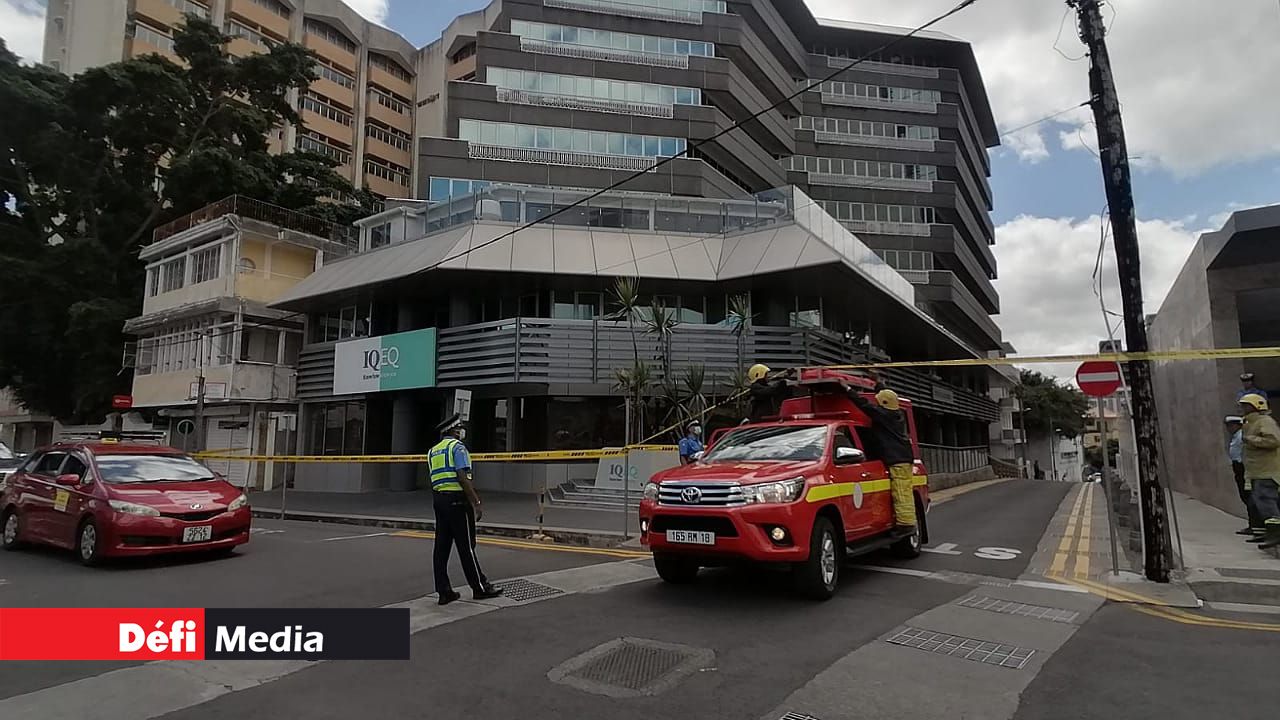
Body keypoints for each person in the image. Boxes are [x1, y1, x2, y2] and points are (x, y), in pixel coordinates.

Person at [428, 413, 503, 605]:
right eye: (459, 427)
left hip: (439, 501)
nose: (462, 430)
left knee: (441, 549)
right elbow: (462, 476)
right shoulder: (457, 447)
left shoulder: (433, 451)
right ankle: (480, 587)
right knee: (467, 547)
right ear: (453, 430)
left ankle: (444, 592)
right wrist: (476, 502)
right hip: (457, 502)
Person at [845, 386, 916, 532]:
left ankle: (906, 525)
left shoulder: (884, 416)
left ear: (883, 404)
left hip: (898, 459)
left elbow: (865, 405)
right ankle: (904, 522)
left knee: (901, 492)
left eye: (879, 403)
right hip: (901, 457)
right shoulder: (896, 415)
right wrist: (877, 383)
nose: (876, 405)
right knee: (902, 491)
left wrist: (848, 390)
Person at [1238, 394, 1280, 549]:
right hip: (1256, 471)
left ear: (1256, 406)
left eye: (1245, 405)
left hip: (1267, 471)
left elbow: (1274, 440)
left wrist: (1251, 440)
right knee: (1257, 502)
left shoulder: (1264, 422)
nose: (1242, 408)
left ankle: (1276, 533)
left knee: (1266, 500)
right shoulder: (1250, 422)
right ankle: (1262, 532)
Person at [1225, 415, 1263, 537]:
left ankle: (1256, 525)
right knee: (1245, 496)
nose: (1228, 428)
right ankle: (1254, 524)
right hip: (1238, 467)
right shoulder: (1236, 436)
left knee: (1249, 496)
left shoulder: (1242, 436)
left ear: (1237, 425)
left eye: (1230, 425)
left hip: (1244, 468)